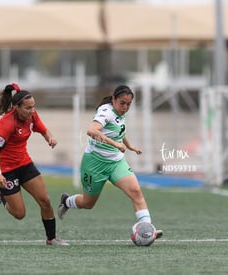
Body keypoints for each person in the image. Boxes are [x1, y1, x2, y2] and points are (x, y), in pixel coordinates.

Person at [57, 84, 163, 239]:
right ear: (113, 99)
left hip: (116, 163)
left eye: (128, 104)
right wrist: (115, 144)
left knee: (136, 192)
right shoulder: (105, 111)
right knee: (88, 203)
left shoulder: (120, 112)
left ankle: (147, 230)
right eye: (122, 103)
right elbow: (91, 131)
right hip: (94, 164)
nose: (125, 107)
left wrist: (129, 145)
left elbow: (119, 130)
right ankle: (67, 201)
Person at [0, 83, 68, 245]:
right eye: (28, 108)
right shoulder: (6, 123)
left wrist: (50, 138)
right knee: (19, 214)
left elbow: (43, 129)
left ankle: (51, 238)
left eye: (33, 107)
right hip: (5, 170)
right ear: (17, 108)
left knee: (45, 200)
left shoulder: (32, 115)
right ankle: (2, 194)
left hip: (24, 164)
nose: (32, 111)